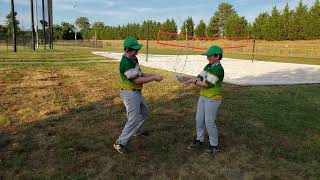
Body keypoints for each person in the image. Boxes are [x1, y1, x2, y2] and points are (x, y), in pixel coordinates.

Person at [114, 37, 163, 154]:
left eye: (137, 49)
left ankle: (137, 131)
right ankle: (120, 143)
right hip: (129, 94)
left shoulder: (133, 59)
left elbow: (140, 73)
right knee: (133, 119)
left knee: (145, 112)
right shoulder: (125, 63)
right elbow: (137, 80)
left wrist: (154, 75)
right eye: (135, 50)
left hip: (136, 92)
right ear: (127, 50)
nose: (137, 52)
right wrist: (153, 78)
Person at [184, 46, 224, 154]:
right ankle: (199, 140)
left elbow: (206, 84)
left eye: (210, 56)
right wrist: (188, 80)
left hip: (213, 99)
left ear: (217, 56)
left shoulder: (218, 69)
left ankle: (214, 146)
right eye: (207, 56)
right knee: (199, 119)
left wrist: (193, 81)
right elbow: (200, 78)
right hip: (203, 97)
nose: (207, 58)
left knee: (209, 122)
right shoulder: (208, 66)